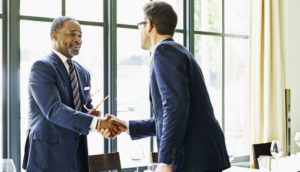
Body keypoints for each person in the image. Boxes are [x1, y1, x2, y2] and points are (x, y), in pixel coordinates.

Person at [102, 1, 231, 172]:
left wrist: (165, 161)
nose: (138, 30)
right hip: (202, 156)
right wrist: (128, 126)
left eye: (139, 24)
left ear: (149, 25)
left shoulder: (164, 52)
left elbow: (175, 107)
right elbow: (172, 115)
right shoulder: (177, 50)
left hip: (193, 159)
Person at [22, 16, 125, 172]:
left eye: (80, 35)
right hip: (47, 158)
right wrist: (97, 123)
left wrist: (99, 123)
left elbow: (85, 109)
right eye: (72, 34)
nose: (78, 39)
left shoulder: (83, 73)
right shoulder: (42, 67)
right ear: (54, 35)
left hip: (78, 156)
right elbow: (54, 110)